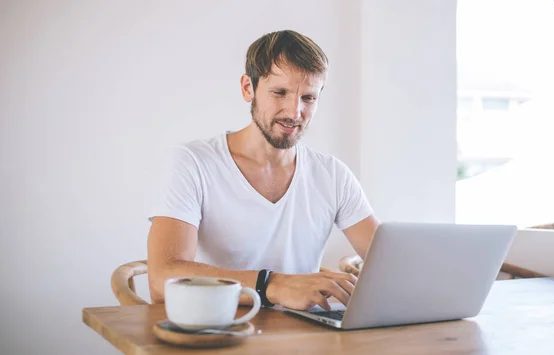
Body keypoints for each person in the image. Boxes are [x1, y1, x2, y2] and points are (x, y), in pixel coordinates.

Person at [147, 30, 380, 311]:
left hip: (308, 336)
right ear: (248, 88)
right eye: (279, 92)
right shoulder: (193, 163)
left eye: (308, 98)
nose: (294, 112)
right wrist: (272, 285)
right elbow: (162, 280)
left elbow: (389, 264)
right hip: (223, 331)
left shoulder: (333, 175)